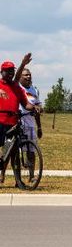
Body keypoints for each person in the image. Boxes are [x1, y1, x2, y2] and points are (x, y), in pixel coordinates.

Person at [0, 54, 34, 184]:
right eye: (7, 71)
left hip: (13, 124)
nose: (10, 73)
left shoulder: (16, 87)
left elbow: (26, 104)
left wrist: (34, 107)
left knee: (13, 153)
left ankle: (18, 181)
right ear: (1, 72)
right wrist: (23, 63)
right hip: (0, 122)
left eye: (12, 71)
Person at [19, 68, 43, 181]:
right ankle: (4, 175)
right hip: (18, 122)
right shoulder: (17, 88)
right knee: (15, 151)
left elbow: (38, 109)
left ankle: (31, 175)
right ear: (20, 77)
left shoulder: (35, 90)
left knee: (31, 151)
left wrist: (39, 127)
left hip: (31, 124)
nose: (28, 77)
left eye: (29, 75)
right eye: (25, 75)